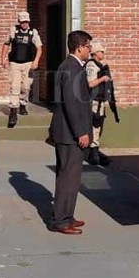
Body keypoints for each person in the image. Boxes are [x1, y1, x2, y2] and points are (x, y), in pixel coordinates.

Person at [47, 30, 94, 235]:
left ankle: (67, 215)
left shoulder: (72, 66)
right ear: (79, 47)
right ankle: (60, 220)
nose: (90, 50)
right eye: (88, 46)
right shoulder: (71, 68)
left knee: (70, 177)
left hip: (68, 132)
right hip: (69, 134)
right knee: (68, 177)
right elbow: (72, 104)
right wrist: (81, 132)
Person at [0, 11, 42, 128]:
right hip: (15, 63)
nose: (24, 24)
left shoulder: (33, 32)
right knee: (15, 86)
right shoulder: (13, 31)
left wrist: (36, 61)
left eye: (26, 22)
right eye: (22, 22)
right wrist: (3, 58)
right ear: (19, 22)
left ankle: (23, 104)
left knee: (26, 87)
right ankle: (13, 112)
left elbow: (39, 48)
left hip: (28, 63)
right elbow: (6, 44)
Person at [84, 41, 112, 166]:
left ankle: (95, 150)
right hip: (94, 101)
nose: (103, 53)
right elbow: (90, 83)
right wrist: (102, 79)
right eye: (101, 51)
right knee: (95, 125)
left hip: (100, 101)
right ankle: (93, 152)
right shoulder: (91, 65)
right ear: (95, 53)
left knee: (98, 125)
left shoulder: (99, 65)